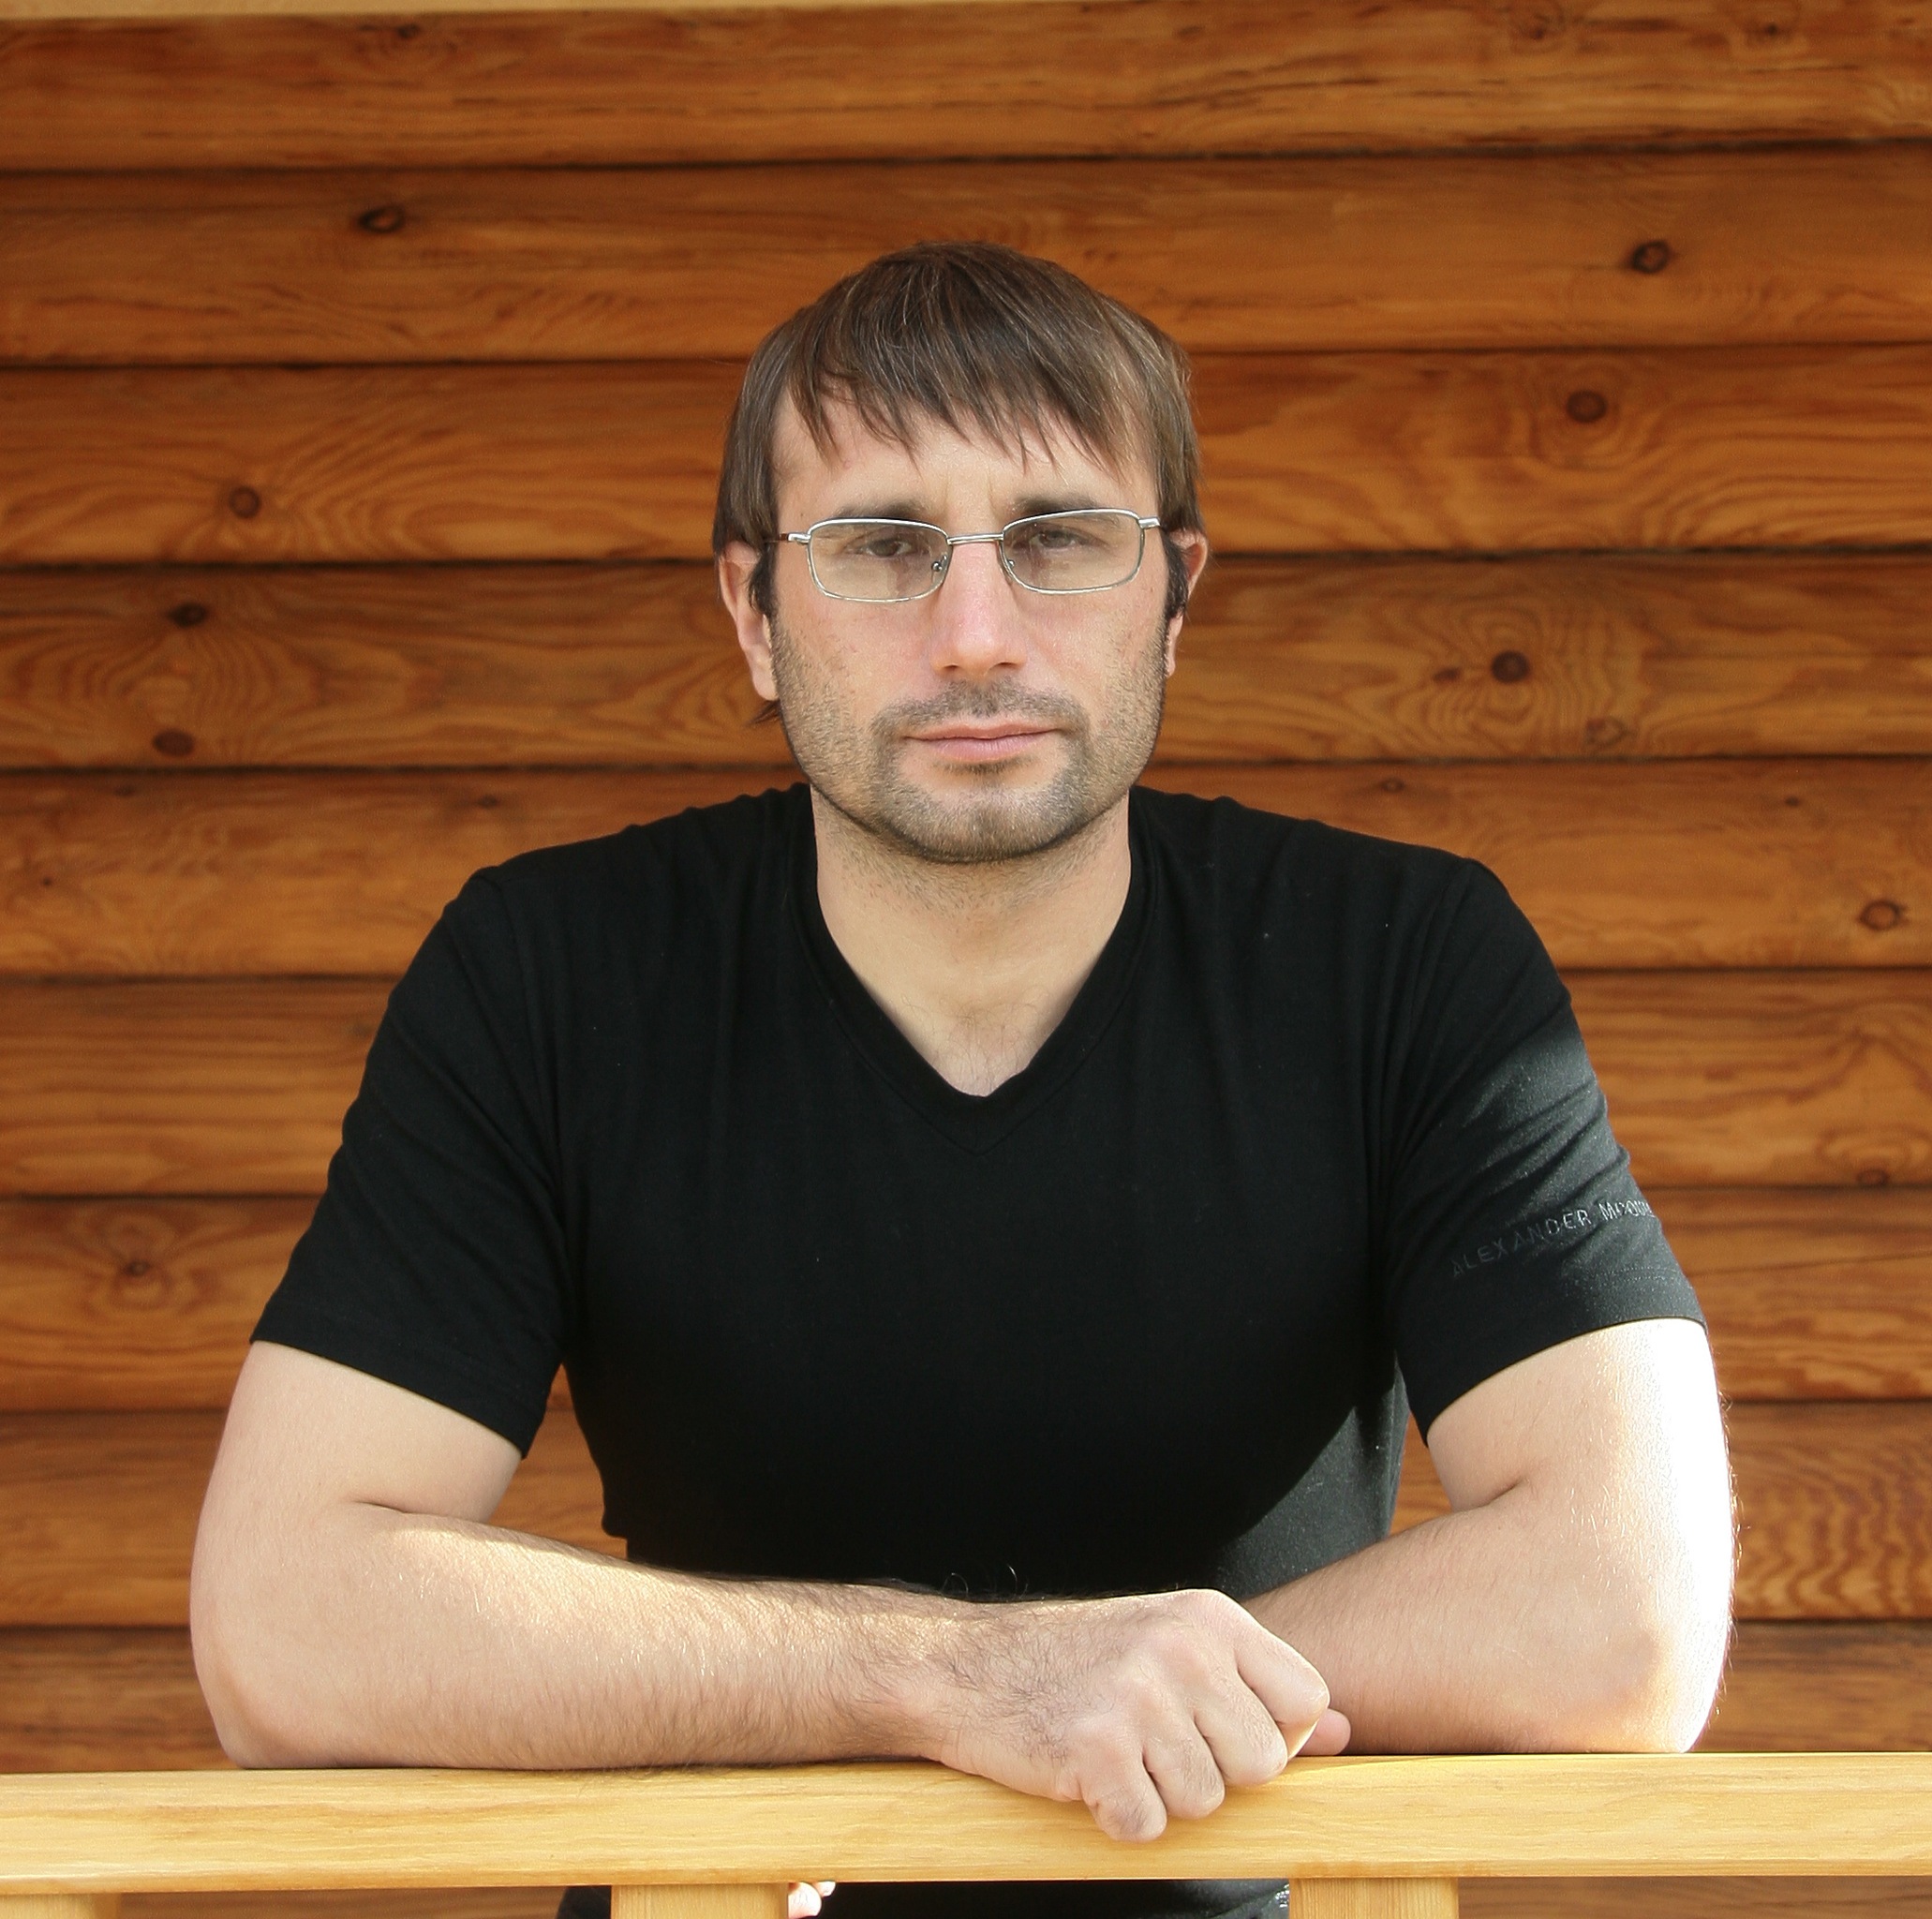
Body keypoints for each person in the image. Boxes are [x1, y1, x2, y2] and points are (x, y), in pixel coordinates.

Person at [190, 243, 1733, 1919]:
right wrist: (953, 1681)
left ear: (1175, 598)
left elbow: (1625, 1609)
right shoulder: (550, 974)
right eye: (880, 548)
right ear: (754, 615)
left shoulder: (1403, 960)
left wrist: (1124, 1695)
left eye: (1061, 539)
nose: (977, 637)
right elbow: (284, 1625)